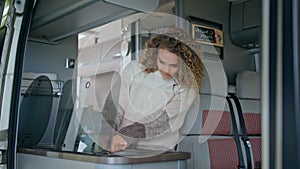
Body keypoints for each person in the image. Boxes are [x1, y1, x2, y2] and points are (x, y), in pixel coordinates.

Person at [109, 28, 204, 153]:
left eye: (174, 65)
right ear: (154, 55)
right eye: (162, 62)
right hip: (122, 145)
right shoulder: (133, 69)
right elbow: (118, 106)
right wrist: (111, 135)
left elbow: (162, 121)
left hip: (157, 151)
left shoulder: (186, 88)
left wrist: (125, 136)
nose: (166, 70)